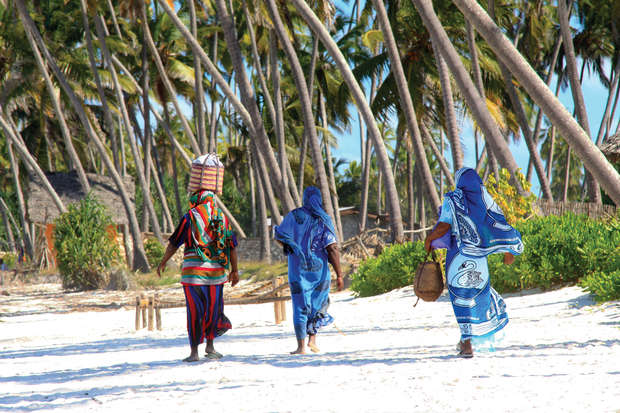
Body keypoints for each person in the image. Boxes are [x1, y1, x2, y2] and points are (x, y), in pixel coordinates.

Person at [424, 167, 523, 358]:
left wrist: (429, 240)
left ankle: (467, 343)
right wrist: (507, 249)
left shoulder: (452, 200)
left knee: (461, 299)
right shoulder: (485, 201)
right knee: (478, 296)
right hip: (479, 260)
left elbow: (444, 225)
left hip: (458, 257)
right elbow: (498, 224)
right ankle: (468, 340)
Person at [158, 188, 239, 362]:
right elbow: (231, 245)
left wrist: (163, 261)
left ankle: (194, 352)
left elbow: (174, 242)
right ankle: (210, 347)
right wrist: (235, 270)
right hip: (216, 275)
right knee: (213, 309)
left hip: (193, 275)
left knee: (194, 311)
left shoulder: (190, 217)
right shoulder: (222, 218)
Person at [274, 186, 344, 355]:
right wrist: (339, 274)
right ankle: (313, 339)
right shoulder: (324, 219)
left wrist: (293, 248)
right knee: (317, 303)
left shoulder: (294, 215)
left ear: (304, 198)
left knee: (299, 305)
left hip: (297, 270)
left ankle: (301, 347)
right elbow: (332, 248)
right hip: (319, 272)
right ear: (319, 199)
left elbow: (280, 236)